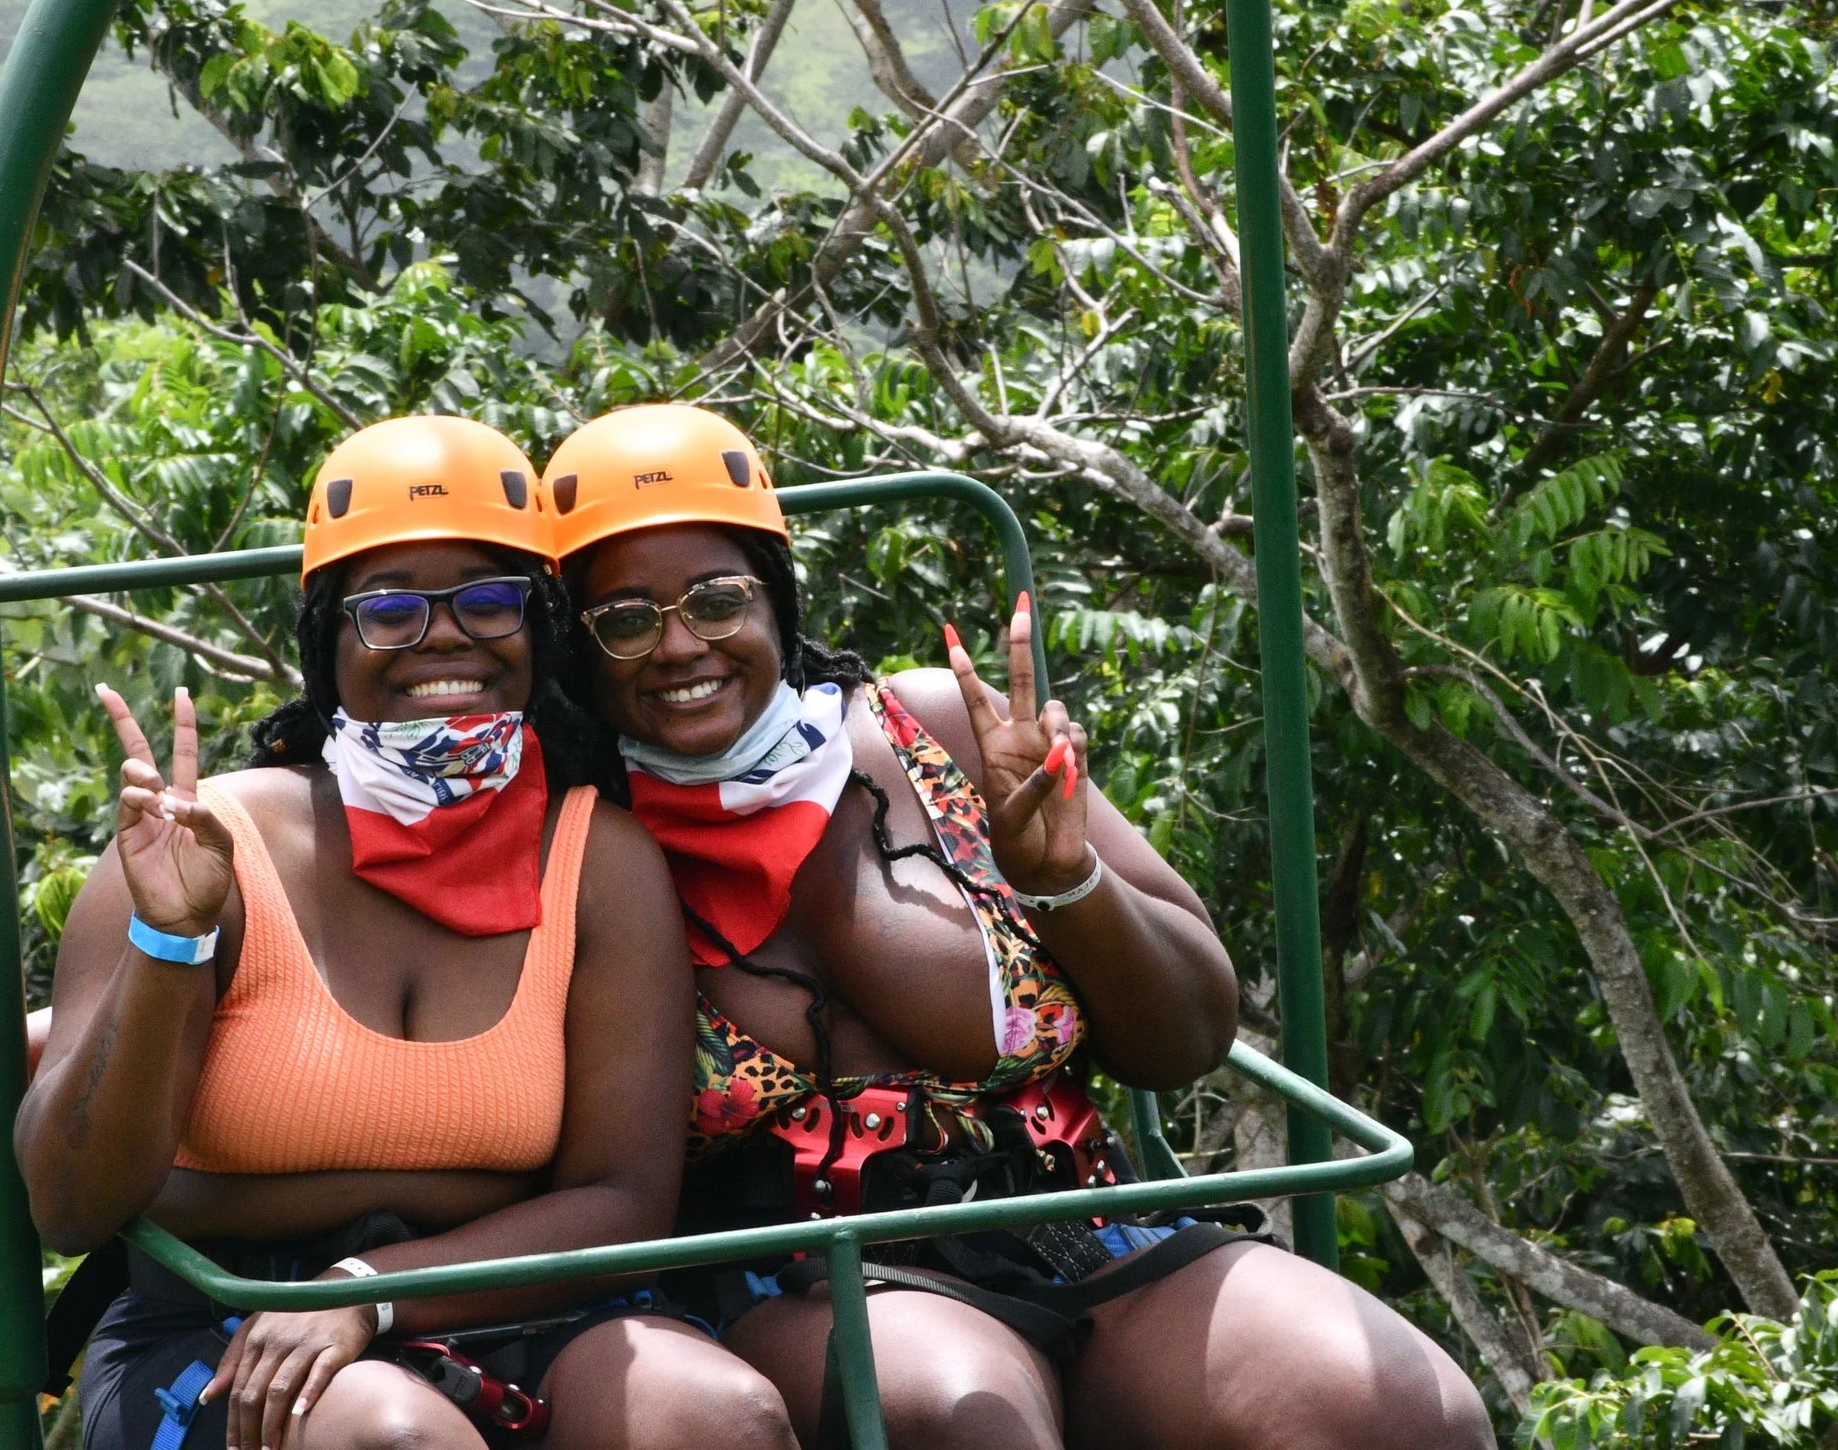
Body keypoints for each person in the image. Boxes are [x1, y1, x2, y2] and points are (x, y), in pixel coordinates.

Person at [539, 403, 1494, 1450]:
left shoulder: (936, 732)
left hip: (1085, 1227)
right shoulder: (583, 838)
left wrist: (1064, 879)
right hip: (804, 1271)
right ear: (579, 650)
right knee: (969, 1418)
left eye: (718, 601)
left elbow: (1187, 1036)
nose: (680, 645)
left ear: (776, 598)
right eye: (625, 619)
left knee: (1402, 1408)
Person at [0, 416, 794, 1450]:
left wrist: (370, 1287)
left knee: (722, 1414)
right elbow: (73, 1202)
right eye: (389, 610)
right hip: (224, 1316)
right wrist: (167, 944)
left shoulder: (597, 858)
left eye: (487, 602)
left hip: (502, 1296)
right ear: (329, 643)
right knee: (393, 1436)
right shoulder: (212, 846)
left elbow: (620, 1195)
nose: (443, 637)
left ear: (536, 630)